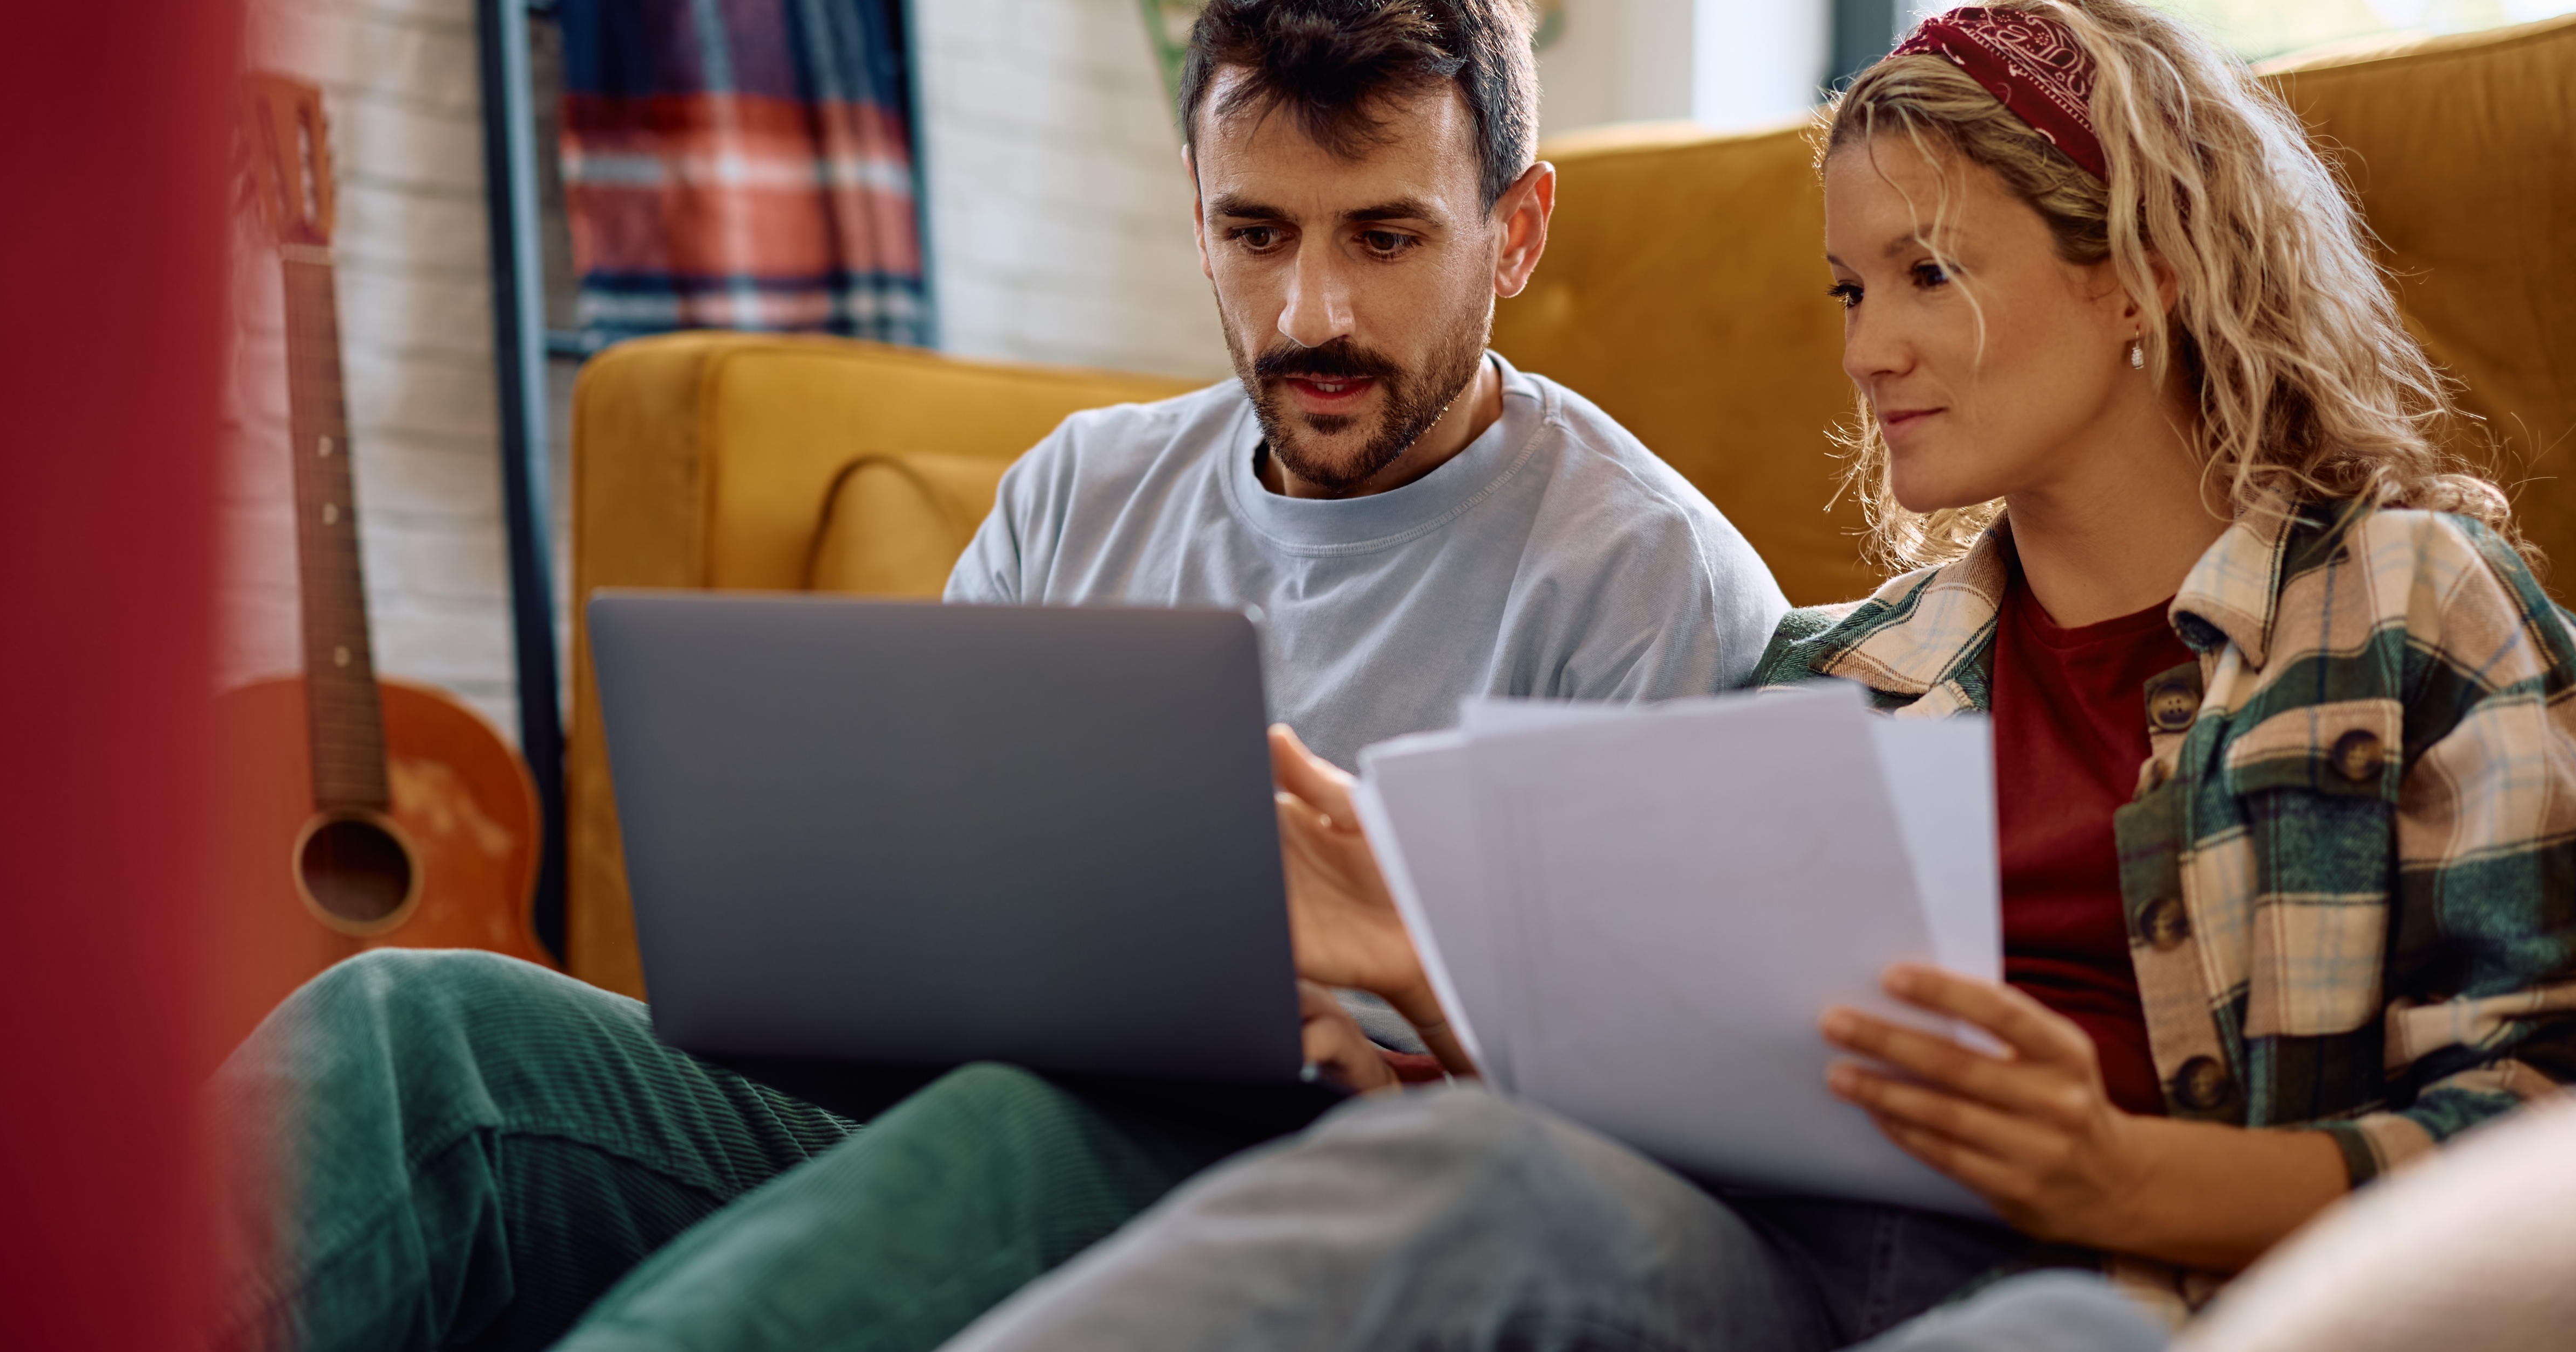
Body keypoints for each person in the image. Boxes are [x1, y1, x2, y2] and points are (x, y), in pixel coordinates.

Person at [920, 2, 2576, 1348]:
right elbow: (1653, 1109)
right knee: (1452, 1172)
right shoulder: (1845, 677)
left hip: (2129, 1294)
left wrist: (2121, 1173)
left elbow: (2543, 1149)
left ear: (2141, 273)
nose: (1866, 348)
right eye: (1847, 288)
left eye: (1928, 275)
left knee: (2055, 1331)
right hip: (1785, 1271)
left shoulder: (2417, 614)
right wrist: (1435, 976)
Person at [207, 3, 1785, 1351]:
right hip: (940, 1107)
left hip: (1291, 1205)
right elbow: (927, 907)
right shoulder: (1077, 491)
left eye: (1385, 237)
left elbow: (1654, 1142)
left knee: (1020, 1128)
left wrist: (1367, 1049)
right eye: (1257, 233)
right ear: (1198, 214)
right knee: (421, 1028)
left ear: (1516, 229)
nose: (1313, 312)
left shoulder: (1643, 578)